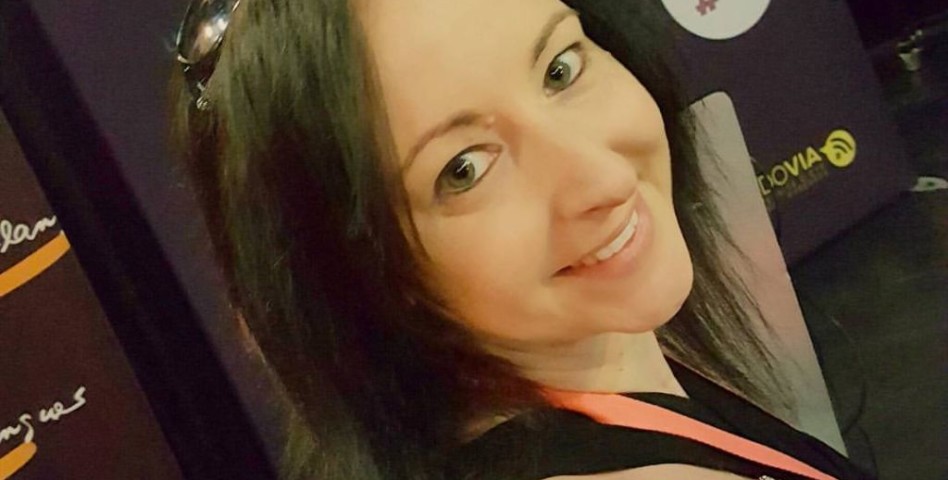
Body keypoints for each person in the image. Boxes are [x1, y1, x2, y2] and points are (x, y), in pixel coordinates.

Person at [171, 0, 873, 479]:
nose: (603, 177)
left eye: (560, 69)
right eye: (464, 169)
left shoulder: (588, 354)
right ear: (358, 273)